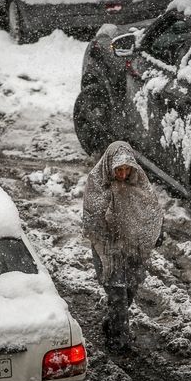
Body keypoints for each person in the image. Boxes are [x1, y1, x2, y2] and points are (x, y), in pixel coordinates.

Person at [82, 141, 163, 352]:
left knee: (130, 289)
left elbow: (151, 210)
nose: (123, 173)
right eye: (119, 169)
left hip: (132, 247)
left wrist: (148, 233)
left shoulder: (138, 183)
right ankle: (119, 340)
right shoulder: (97, 182)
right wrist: (109, 229)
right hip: (109, 248)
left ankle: (112, 324)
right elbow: (93, 216)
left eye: (127, 169)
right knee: (118, 293)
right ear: (110, 166)